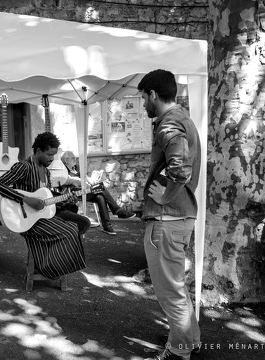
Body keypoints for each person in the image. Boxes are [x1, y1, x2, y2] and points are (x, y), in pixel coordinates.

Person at [138, 69, 201, 360]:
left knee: (169, 292)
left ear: (153, 94)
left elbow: (180, 168)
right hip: (180, 217)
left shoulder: (169, 123)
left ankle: (178, 352)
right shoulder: (184, 119)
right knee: (177, 287)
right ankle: (190, 339)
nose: (143, 105)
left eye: (143, 98)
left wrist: (164, 196)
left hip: (167, 218)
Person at [0, 132, 89, 279]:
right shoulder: (23, 167)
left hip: (45, 213)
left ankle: (49, 259)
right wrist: (26, 199)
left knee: (83, 223)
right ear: (38, 151)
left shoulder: (45, 170)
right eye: (49, 155)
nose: (52, 159)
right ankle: (47, 267)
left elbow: (47, 197)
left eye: (54, 155)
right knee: (70, 230)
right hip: (26, 219)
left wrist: (67, 199)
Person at [60, 151, 135, 235]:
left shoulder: (75, 169)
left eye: (75, 158)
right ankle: (117, 210)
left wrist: (92, 180)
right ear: (66, 160)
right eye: (72, 158)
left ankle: (107, 226)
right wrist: (82, 182)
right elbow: (67, 181)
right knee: (101, 188)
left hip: (85, 190)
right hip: (75, 193)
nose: (75, 159)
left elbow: (85, 178)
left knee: (100, 197)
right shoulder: (63, 170)